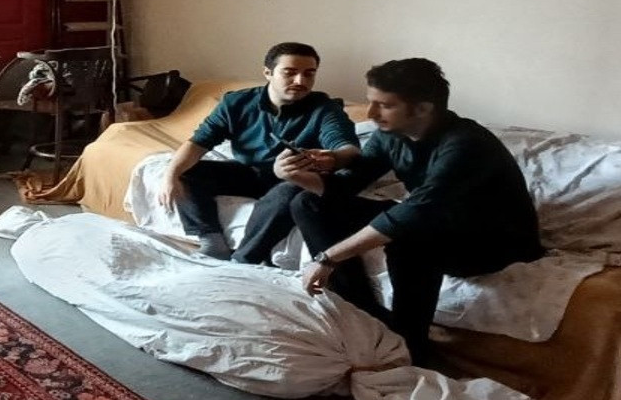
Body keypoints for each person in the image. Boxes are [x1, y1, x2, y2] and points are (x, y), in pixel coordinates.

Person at [291, 58, 541, 365]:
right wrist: (295, 174)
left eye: (384, 105)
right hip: (435, 217)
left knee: (409, 241)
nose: (371, 114)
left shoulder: (466, 144)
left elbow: (414, 214)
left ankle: (412, 344)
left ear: (423, 108)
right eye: (371, 102)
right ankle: (364, 310)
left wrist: (328, 257)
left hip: (492, 239)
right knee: (307, 203)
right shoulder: (390, 134)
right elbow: (348, 185)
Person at [155, 42, 363, 263]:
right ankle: (212, 241)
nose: (300, 81)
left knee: (289, 192)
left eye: (309, 74)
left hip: (293, 178)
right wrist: (170, 175)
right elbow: (198, 143)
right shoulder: (236, 102)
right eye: (290, 73)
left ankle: (244, 259)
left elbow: (349, 150)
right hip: (250, 173)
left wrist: (331, 159)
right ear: (268, 73)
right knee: (185, 171)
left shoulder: (325, 107)